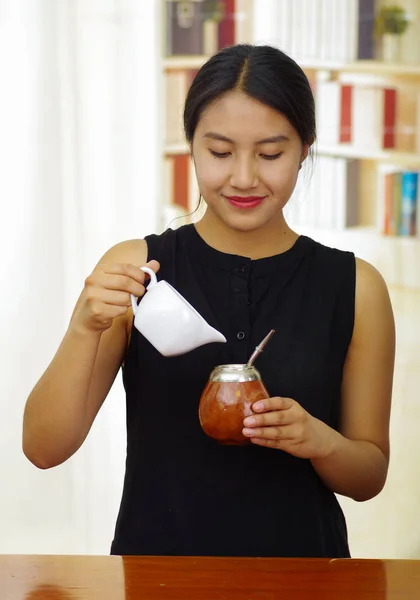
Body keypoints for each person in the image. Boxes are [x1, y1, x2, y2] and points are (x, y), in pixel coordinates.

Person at [22, 44, 395, 558]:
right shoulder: (139, 271)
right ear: (190, 145)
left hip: (304, 575)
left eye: (270, 154)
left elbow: (369, 475)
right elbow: (43, 449)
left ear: (305, 147)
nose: (244, 178)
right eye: (220, 152)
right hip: (157, 573)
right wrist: (85, 329)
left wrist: (319, 440)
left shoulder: (356, 285)